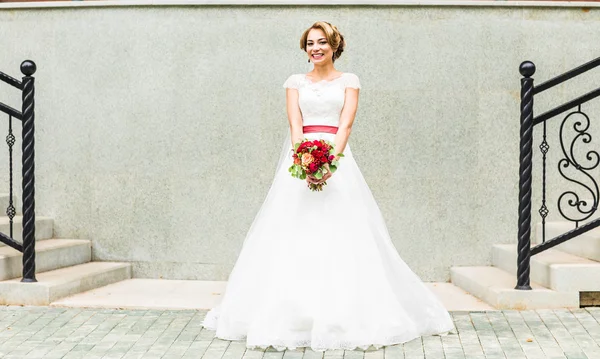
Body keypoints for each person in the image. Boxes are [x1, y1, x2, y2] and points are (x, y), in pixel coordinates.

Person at [202, 21, 454, 352]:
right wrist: (305, 161)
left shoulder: (349, 81)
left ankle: (346, 313)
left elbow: (346, 123)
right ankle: (288, 313)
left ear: (335, 45)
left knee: (346, 232)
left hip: (338, 159)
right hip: (300, 160)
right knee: (290, 233)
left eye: (322, 42)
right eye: (310, 43)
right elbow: (295, 123)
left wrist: (328, 163)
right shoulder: (294, 83)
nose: (315, 48)